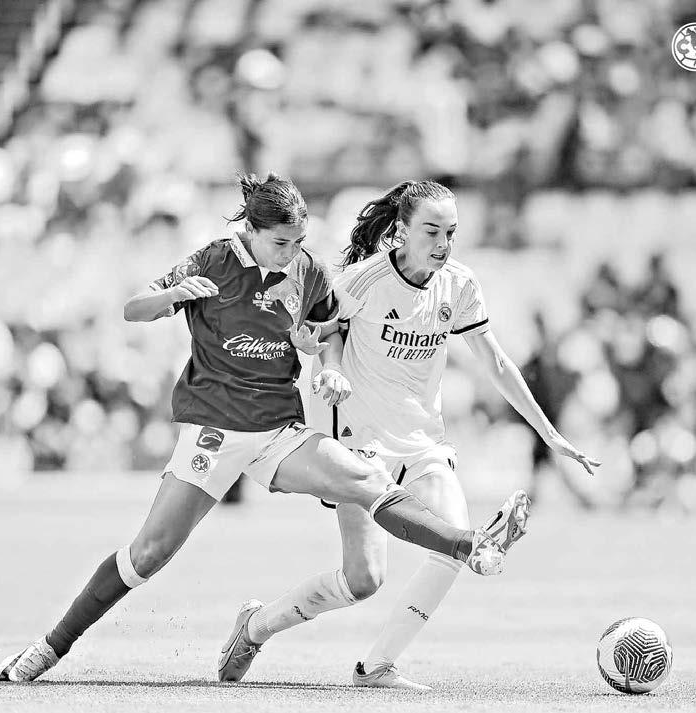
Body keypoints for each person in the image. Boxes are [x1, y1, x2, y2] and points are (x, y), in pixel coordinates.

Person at [0, 174, 526, 684]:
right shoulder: (213, 260)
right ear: (250, 229)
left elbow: (327, 331)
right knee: (149, 554)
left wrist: (329, 365)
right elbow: (134, 309)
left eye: (299, 242)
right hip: (214, 431)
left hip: (277, 431)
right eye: (281, 243)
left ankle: (468, 544)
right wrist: (173, 295)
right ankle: (52, 645)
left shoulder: (309, 271)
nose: (291, 253)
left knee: (368, 480)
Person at [217, 180, 599, 689]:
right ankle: (256, 626)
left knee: (454, 545)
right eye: (432, 231)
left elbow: (496, 363)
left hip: (423, 443)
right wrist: (329, 367)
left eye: (451, 233)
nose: (443, 244)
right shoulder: (362, 280)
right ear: (401, 230)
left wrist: (548, 434)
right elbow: (324, 334)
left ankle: (376, 667)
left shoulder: (459, 285)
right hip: (359, 443)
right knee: (363, 581)